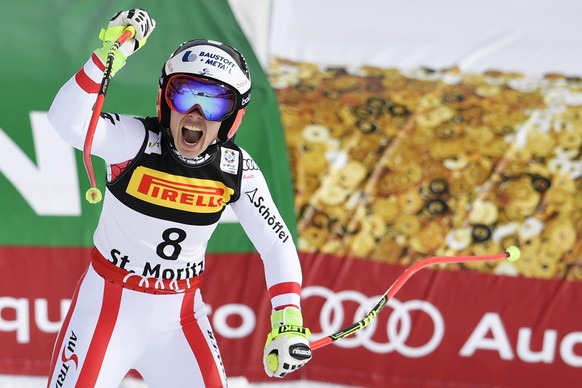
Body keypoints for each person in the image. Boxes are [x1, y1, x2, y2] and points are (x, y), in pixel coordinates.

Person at [46, 9, 311, 387]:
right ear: (165, 101)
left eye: (215, 103)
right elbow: (65, 120)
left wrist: (288, 317)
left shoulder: (236, 168)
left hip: (180, 321)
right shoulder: (133, 140)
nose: (197, 115)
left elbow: (276, 241)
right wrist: (108, 56)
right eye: (184, 94)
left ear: (233, 117)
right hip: (105, 313)